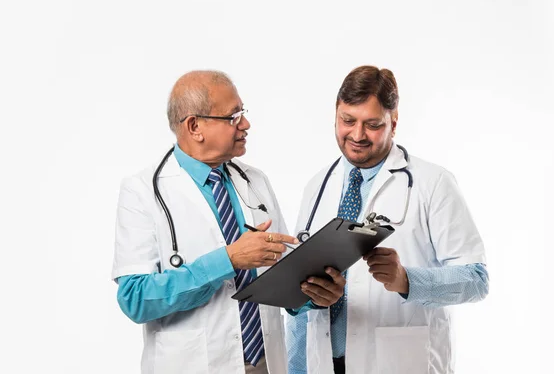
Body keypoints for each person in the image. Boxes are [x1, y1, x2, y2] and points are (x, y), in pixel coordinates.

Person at [285, 65, 489, 374]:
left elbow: (476, 279)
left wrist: (406, 281)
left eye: (372, 124)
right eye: (347, 120)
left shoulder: (432, 183)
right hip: (324, 363)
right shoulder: (318, 186)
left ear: (393, 122)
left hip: (397, 363)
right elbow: (301, 297)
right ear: (335, 115)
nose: (357, 135)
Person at [111, 70, 298, 374]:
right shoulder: (143, 190)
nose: (246, 124)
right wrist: (228, 260)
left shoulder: (255, 180)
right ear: (195, 126)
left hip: (267, 363)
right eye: (233, 116)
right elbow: (135, 298)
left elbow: (283, 270)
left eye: (243, 113)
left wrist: (311, 295)